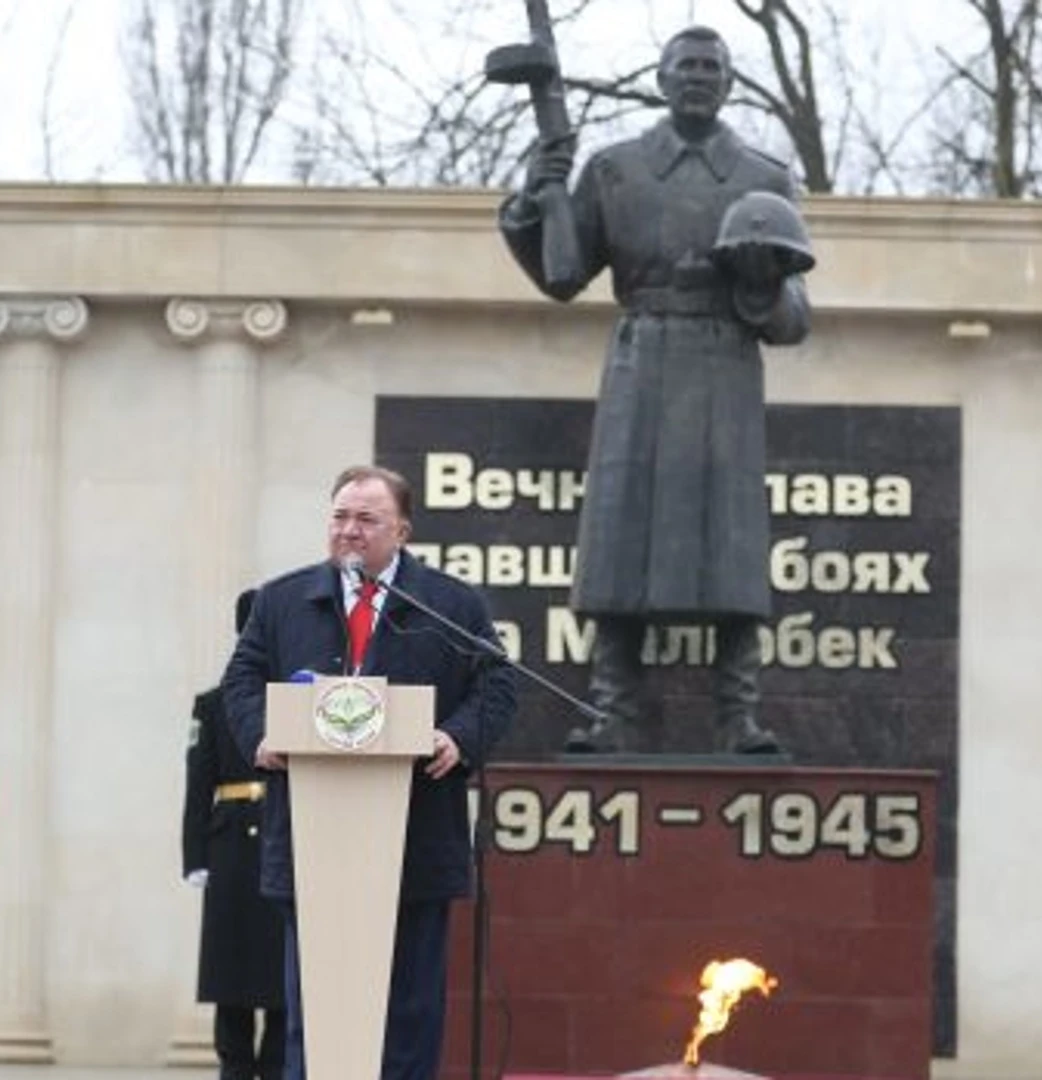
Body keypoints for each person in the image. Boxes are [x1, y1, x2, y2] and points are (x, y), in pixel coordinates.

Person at [498, 24, 812, 755]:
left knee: (731, 542)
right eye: (685, 66)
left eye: (712, 66)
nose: (698, 77)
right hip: (641, 357)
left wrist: (763, 286)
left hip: (725, 362)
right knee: (620, 535)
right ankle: (614, 712)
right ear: (662, 78)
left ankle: (739, 719)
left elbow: (795, 321)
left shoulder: (765, 180)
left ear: (729, 82)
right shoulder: (615, 170)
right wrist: (535, 199)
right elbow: (563, 274)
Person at [220, 464, 516, 1080]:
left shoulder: (451, 605)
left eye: (366, 519)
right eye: (340, 517)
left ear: (401, 531)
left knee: (409, 1010)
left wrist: (457, 737)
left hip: (414, 840)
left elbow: (498, 685)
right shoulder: (280, 601)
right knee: (315, 1007)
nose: (349, 531)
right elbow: (242, 680)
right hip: (312, 842)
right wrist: (261, 735)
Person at [182, 588, 285, 1080]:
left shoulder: (296, 698)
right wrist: (194, 856)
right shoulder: (214, 702)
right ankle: (236, 1069)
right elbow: (197, 783)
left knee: (282, 973)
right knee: (232, 974)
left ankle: (278, 1066)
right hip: (231, 850)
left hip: (286, 841)